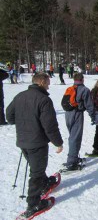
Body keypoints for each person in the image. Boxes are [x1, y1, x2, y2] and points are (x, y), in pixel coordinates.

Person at [6, 73, 63, 218]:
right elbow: (50, 126)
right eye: (48, 82)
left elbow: (9, 116)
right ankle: (34, 204)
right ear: (42, 82)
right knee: (36, 173)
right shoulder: (44, 99)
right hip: (37, 143)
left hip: (23, 142)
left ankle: (44, 183)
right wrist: (58, 142)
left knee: (36, 168)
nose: (49, 85)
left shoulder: (20, 95)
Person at [64, 73, 95, 170]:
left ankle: (73, 157)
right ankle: (71, 162)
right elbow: (89, 105)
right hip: (77, 114)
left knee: (72, 136)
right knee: (75, 137)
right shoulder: (85, 90)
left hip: (67, 114)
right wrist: (93, 116)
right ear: (82, 79)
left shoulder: (70, 88)